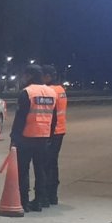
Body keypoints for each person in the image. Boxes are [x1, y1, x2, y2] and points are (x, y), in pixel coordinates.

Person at [9, 64, 57, 212]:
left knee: (23, 171)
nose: (23, 78)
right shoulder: (51, 92)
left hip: (26, 136)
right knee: (41, 170)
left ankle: (24, 202)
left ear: (29, 76)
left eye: (24, 75)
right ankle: (39, 201)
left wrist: (14, 138)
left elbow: (20, 118)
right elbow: (53, 118)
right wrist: (50, 135)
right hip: (43, 137)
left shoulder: (27, 93)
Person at [42, 64, 67, 205]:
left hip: (51, 132)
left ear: (48, 76)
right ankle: (53, 196)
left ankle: (45, 196)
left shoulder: (50, 91)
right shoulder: (61, 89)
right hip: (60, 131)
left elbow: (50, 114)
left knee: (46, 165)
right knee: (53, 163)